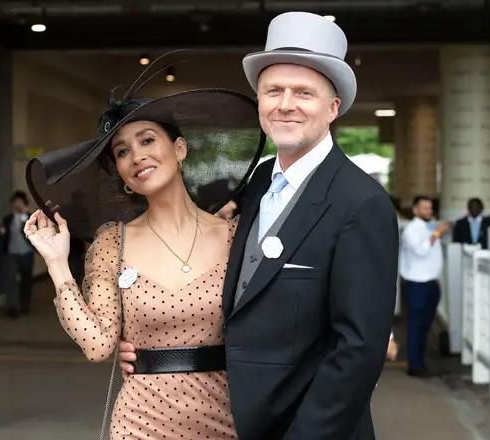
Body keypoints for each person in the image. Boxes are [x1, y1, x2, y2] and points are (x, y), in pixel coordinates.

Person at [119, 12, 399, 440]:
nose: (285, 104)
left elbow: (359, 351)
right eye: (274, 91)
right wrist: (158, 347)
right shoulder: (259, 181)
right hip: (237, 421)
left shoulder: (360, 203)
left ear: (333, 107)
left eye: (304, 92)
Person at [23, 68, 264, 439]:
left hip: (227, 418)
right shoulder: (111, 243)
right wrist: (57, 264)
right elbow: (98, 346)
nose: (136, 156)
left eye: (147, 140)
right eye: (122, 151)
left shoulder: (238, 236)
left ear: (180, 149)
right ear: (121, 172)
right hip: (141, 423)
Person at [399, 195, 449, 377]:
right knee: (416, 325)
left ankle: (420, 361)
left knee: (425, 325)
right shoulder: (411, 230)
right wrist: (437, 233)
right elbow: (421, 250)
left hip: (431, 284)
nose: (428, 211)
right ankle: (415, 366)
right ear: (415, 210)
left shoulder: (429, 227)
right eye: (424, 208)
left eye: (430, 208)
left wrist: (437, 230)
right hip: (417, 284)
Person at [0, 190, 35, 318]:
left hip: (26, 253)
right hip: (11, 254)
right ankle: (12, 307)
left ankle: (25, 305)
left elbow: (33, 233)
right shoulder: (8, 219)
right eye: (15, 202)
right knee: (11, 280)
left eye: (19, 202)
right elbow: (3, 232)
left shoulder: (29, 218)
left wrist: (24, 216)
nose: (17, 204)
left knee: (26, 280)